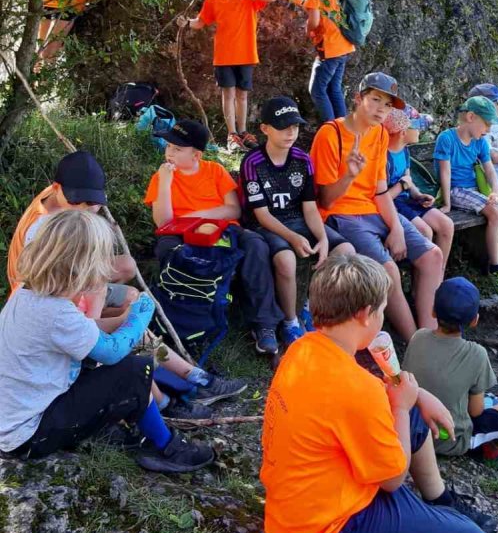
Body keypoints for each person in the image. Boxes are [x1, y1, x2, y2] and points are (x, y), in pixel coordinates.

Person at [260, 253, 496, 533]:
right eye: (382, 310)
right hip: (329, 530)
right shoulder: (358, 389)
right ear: (364, 314)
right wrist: (401, 407)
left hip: (296, 510)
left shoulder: (301, 350)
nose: (383, 317)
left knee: (406, 408)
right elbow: (393, 480)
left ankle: (438, 500)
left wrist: (419, 396)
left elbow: (360, 397)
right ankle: (436, 519)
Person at [0, 210, 213, 473]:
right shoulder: (57, 313)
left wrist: (122, 320)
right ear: (82, 265)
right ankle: (166, 446)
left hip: (17, 422)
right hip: (30, 435)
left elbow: (86, 333)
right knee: (134, 370)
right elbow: (112, 352)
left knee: (115, 367)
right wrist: (139, 316)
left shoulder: (27, 296)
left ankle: (122, 424)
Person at [310, 72, 444, 342]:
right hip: (341, 215)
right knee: (389, 271)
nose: (381, 109)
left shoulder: (380, 134)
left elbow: (380, 190)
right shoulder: (330, 134)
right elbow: (324, 201)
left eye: (388, 105)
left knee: (434, 256)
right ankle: (414, 344)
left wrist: (396, 228)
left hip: (374, 209)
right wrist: (348, 175)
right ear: (357, 98)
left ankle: (430, 340)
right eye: (375, 100)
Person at [144, 118, 283, 356]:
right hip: (180, 234)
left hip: (222, 229)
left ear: (196, 155)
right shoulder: (161, 177)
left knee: (255, 244)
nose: (170, 153)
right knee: (167, 249)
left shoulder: (215, 171)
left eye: (178, 149)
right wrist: (165, 183)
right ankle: (182, 317)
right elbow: (163, 222)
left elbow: (233, 210)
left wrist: (195, 216)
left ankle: (264, 324)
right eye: (169, 147)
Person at [240, 96, 354, 346]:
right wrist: (292, 237)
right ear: (265, 129)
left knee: (345, 251)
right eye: (283, 127)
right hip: (266, 224)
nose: (290, 133)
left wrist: (322, 238)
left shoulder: (302, 159)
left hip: (299, 219)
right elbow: (262, 214)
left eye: (295, 126)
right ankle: (290, 321)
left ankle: (312, 306)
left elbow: (310, 207)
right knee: (286, 259)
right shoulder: (252, 162)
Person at [404, 277, 498, 463]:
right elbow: (476, 411)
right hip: (450, 440)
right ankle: (495, 449)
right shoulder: (476, 354)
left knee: (491, 400)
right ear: (474, 320)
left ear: (433, 311)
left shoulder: (418, 337)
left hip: (411, 429)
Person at [434, 95, 498, 299]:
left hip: (477, 187)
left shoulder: (480, 141)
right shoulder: (447, 138)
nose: (489, 130)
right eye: (487, 124)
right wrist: (446, 203)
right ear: (471, 117)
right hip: (457, 189)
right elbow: (444, 173)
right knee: (495, 213)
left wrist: (495, 191)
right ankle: (496, 268)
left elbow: (489, 170)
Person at [6, 151, 137, 310]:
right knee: (130, 298)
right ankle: (87, 313)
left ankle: (95, 307)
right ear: (56, 188)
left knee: (127, 265)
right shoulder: (42, 226)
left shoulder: (56, 193)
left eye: (91, 201)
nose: (83, 209)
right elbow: (49, 278)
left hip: (64, 271)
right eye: (76, 201)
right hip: (41, 290)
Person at [183, 0, 278, 151]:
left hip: (246, 54)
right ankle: (232, 135)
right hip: (223, 55)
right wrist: (186, 22)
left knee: (242, 95)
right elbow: (200, 22)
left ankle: (243, 133)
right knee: (228, 95)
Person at [385, 106, 454, 269]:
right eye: (417, 127)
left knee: (447, 225)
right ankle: (421, 277)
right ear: (403, 132)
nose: (420, 131)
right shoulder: (384, 157)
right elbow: (382, 197)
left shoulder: (404, 151)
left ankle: (438, 275)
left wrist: (418, 195)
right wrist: (402, 185)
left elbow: (409, 182)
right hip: (392, 205)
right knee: (425, 231)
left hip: (407, 199)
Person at [301, 0, 355, 122]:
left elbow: (314, 21)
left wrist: (307, 29)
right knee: (334, 89)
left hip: (329, 48)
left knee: (317, 90)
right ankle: (343, 129)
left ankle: (331, 130)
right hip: (343, 45)